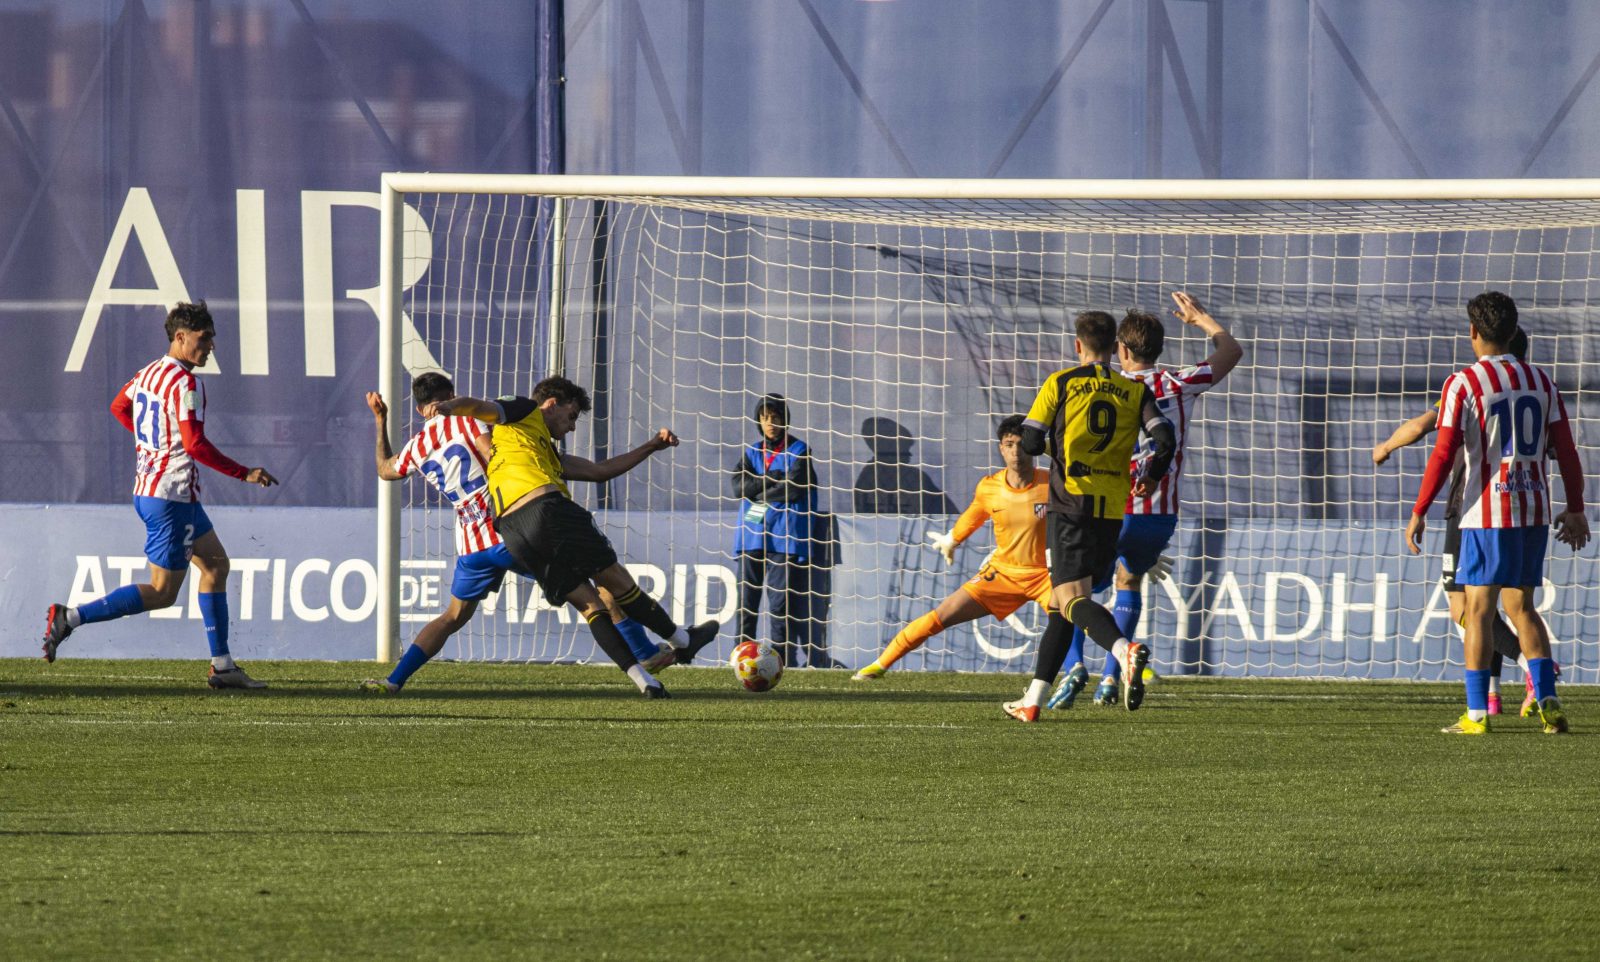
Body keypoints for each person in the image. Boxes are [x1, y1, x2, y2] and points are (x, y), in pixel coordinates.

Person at [360, 376, 675, 693]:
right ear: (452, 394)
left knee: (452, 616)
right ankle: (644, 652)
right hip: (512, 531)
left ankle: (393, 681)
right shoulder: (470, 420)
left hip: (472, 545)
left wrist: (380, 419)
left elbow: (385, 469)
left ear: (419, 409)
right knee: (597, 580)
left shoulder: (416, 447)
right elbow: (494, 454)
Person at [428, 376, 718, 698]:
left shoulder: (535, 447)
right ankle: (683, 641)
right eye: (572, 416)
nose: (572, 427)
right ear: (552, 404)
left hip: (513, 533)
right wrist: (450, 406)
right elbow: (479, 407)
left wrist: (651, 446)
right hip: (546, 510)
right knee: (615, 579)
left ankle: (645, 682)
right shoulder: (525, 410)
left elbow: (598, 471)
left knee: (590, 605)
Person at [41, 301, 278, 688]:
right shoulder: (186, 384)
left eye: (212, 338)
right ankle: (70, 617)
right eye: (204, 338)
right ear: (180, 337)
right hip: (171, 497)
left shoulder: (148, 372)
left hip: (159, 492)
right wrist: (244, 473)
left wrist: (153, 444)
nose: (211, 346)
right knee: (163, 592)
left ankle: (223, 666)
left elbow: (119, 406)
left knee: (216, 566)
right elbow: (195, 444)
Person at [1050, 291, 1244, 708]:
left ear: (1121, 349)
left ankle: (1074, 667)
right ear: (1158, 349)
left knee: (1070, 594)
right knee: (1129, 580)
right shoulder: (1178, 383)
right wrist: (1202, 320)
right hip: (1157, 514)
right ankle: (1110, 679)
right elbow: (1232, 351)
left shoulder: (1106, 387)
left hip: (1106, 507)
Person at [1407, 291, 1589, 735]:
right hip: (1533, 510)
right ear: (1513, 331)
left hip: (1485, 513)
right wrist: (1577, 508)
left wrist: (1419, 509)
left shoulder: (1463, 383)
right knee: (1523, 607)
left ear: (1473, 331)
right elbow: (1567, 451)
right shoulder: (1542, 381)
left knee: (1478, 609)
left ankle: (1476, 715)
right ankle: (1548, 700)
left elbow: (1443, 453)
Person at [1003, 311, 1176, 722]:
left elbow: (1030, 440)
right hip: (1112, 510)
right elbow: (1164, 439)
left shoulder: (1061, 382)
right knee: (1061, 603)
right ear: (1115, 347)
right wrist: (1152, 476)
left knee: (1070, 601)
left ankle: (1124, 650)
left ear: (1078, 345)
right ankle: (1032, 700)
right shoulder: (1133, 390)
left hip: (1070, 505)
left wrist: (1061, 450)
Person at [1374, 327, 1536, 716]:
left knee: (1465, 607)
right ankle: (1493, 694)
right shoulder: (1534, 388)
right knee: (1506, 604)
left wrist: (1386, 446)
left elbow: (1422, 427)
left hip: (1472, 507)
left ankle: (1531, 666)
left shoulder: (1470, 386)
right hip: (1522, 506)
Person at [852, 416, 1051, 679]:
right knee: (942, 615)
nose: (1016, 452)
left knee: (1074, 618)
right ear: (1001, 448)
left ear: (1034, 447)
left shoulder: (1053, 483)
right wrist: (951, 540)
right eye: (1009, 444)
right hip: (1003, 574)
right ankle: (879, 665)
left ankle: (1089, 674)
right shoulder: (989, 487)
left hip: (1045, 575)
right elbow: (972, 516)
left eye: (1022, 444)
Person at [731, 394, 837, 668]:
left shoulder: (800, 451)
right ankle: (740, 655)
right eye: (765, 418)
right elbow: (738, 488)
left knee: (779, 605)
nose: (770, 423)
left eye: (775, 418)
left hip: (784, 537)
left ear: (785, 420)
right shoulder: (752, 452)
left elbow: (792, 489)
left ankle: (780, 659)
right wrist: (769, 478)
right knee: (746, 602)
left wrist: (757, 489)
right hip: (752, 534)